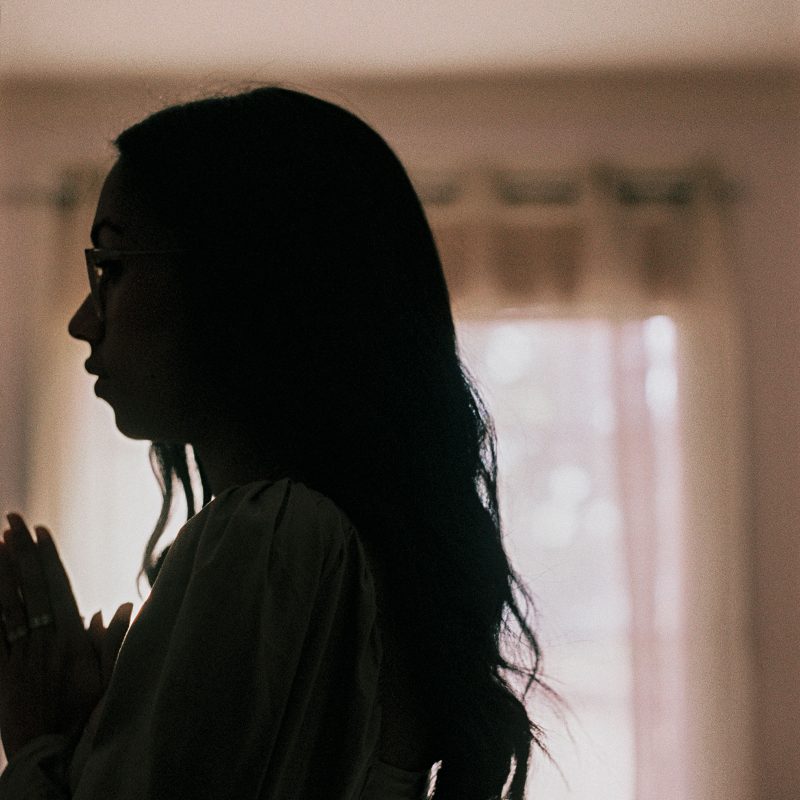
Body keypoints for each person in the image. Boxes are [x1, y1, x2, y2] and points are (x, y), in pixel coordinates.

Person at [0, 87, 549, 799]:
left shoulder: (275, 537)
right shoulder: (341, 554)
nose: (84, 320)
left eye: (113, 266)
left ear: (236, 277)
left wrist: (41, 744)